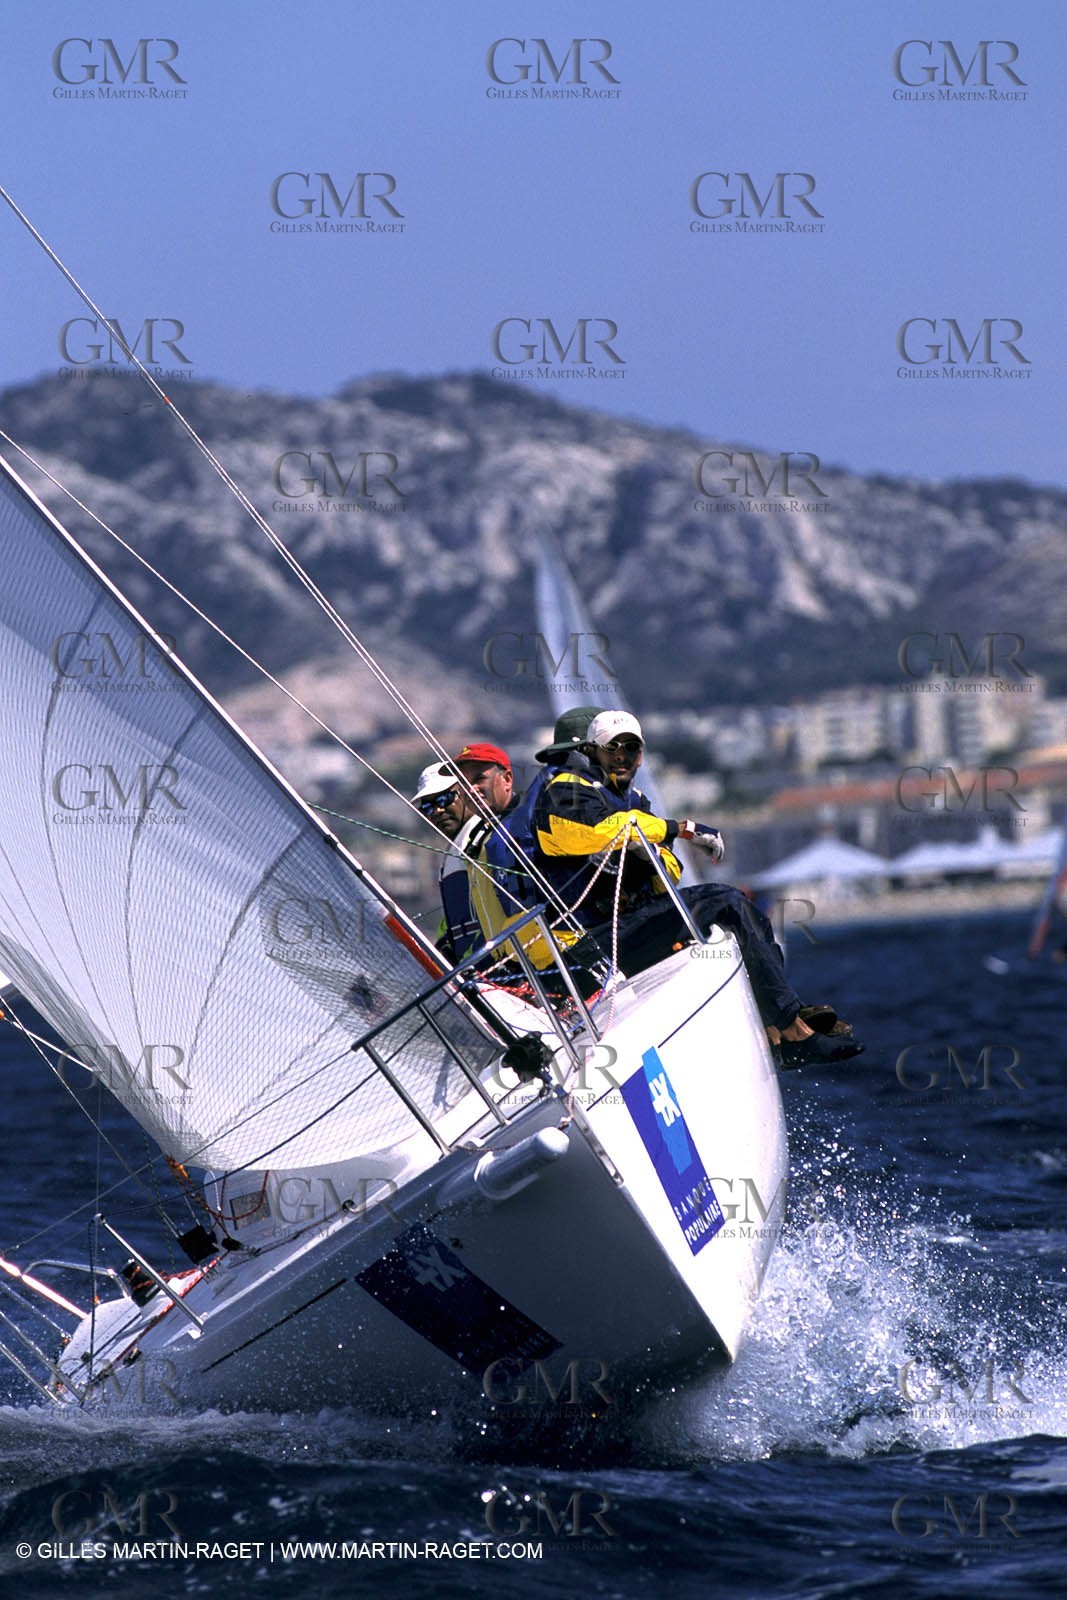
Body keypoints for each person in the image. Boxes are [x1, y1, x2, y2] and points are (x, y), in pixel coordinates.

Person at [532, 710, 863, 1067]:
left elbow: (668, 873)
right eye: (614, 748)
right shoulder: (564, 790)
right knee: (726, 901)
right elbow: (593, 831)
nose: (623, 756)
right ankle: (791, 1027)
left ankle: (780, 1023)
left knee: (747, 914)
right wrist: (680, 828)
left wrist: (648, 851)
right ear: (593, 752)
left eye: (632, 748)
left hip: (630, 926)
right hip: (590, 943)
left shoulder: (635, 802)